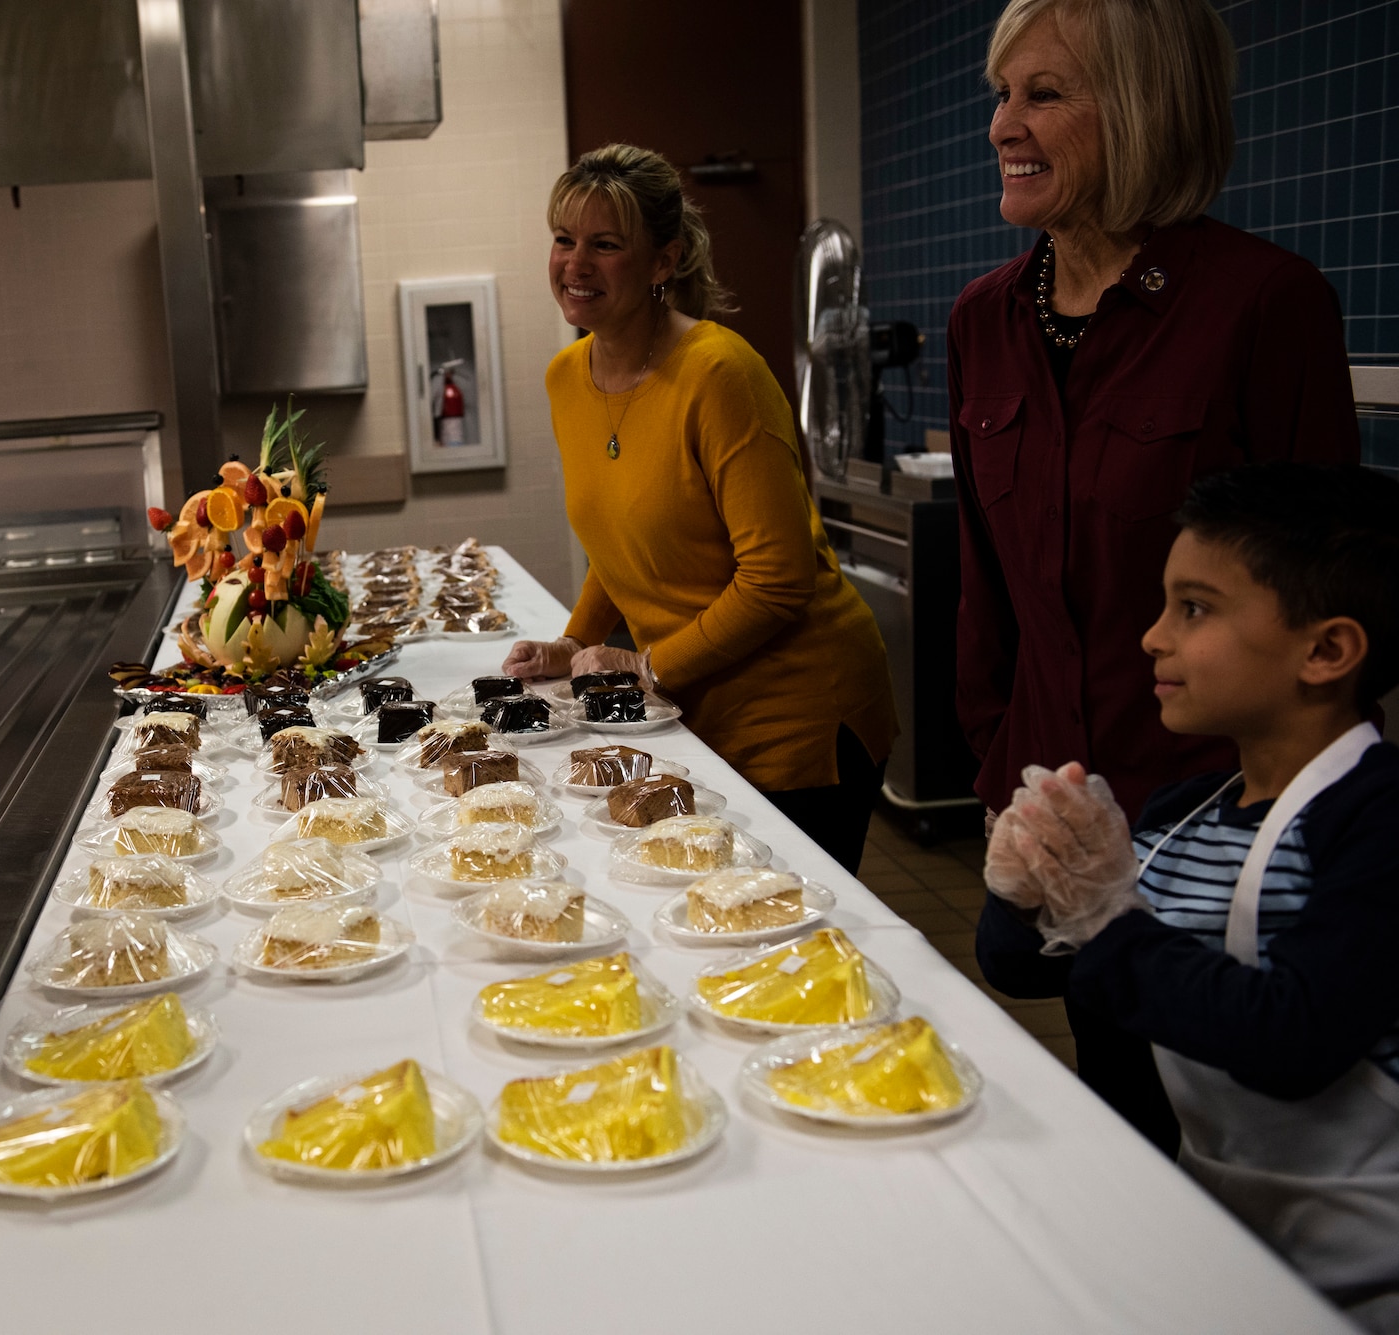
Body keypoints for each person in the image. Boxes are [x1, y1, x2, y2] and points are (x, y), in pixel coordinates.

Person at [952, 0, 1359, 1143]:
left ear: (1133, 113)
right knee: (1119, 1105)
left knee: (1231, 1130)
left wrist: (1295, 833)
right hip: (1055, 798)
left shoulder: (1260, 306)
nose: (1001, 125)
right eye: (1000, 93)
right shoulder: (981, 320)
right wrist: (998, 764)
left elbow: (1319, 602)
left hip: (1211, 831)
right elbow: (988, 593)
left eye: (1042, 95)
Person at [977, 463, 1399, 1329]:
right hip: (1217, 1235)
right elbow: (1023, 970)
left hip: (1362, 1279)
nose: (1151, 638)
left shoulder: (1378, 820)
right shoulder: (1183, 814)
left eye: (1194, 609)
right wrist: (1024, 893)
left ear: (1326, 650)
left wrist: (1104, 919)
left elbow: (1293, 1036)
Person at [502, 144, 898, 873]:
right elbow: (619, 542)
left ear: (664, 262)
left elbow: (779, 580)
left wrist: (647, 663)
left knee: (777, 927)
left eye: (606, 244)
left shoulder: (719, 374)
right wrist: (574, 643)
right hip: (695, 706)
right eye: (564, 239)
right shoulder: (568, 377)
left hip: (797, 715)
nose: (575, 264)